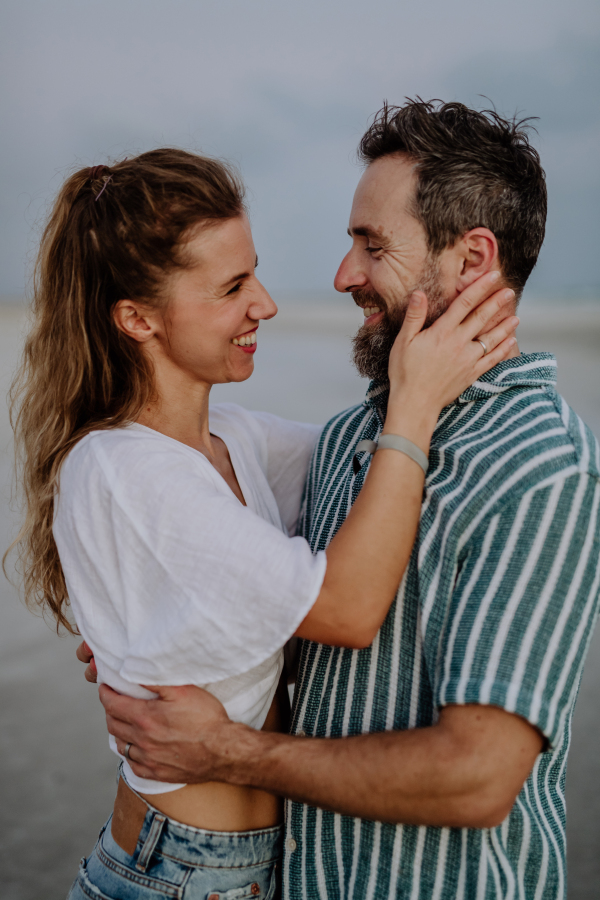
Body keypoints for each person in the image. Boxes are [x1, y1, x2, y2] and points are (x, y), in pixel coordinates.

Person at [97, 102, 600, 900]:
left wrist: (229, 753)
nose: (343, 276)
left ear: (472, 260)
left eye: (371, 245)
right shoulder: (346, 440)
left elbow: (476, 778)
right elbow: (280, 624)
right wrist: (160, 636)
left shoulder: (538, 463)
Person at [7, 147, 516, 900]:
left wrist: (447, 359)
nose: (266, 304)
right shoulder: (121, 469)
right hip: (176, 876)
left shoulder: (237, 441)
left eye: (257, 273)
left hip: (249, 869)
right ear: (136, 317)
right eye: (232, 287)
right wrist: (412, 400)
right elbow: (345, 607)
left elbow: (369, 475)